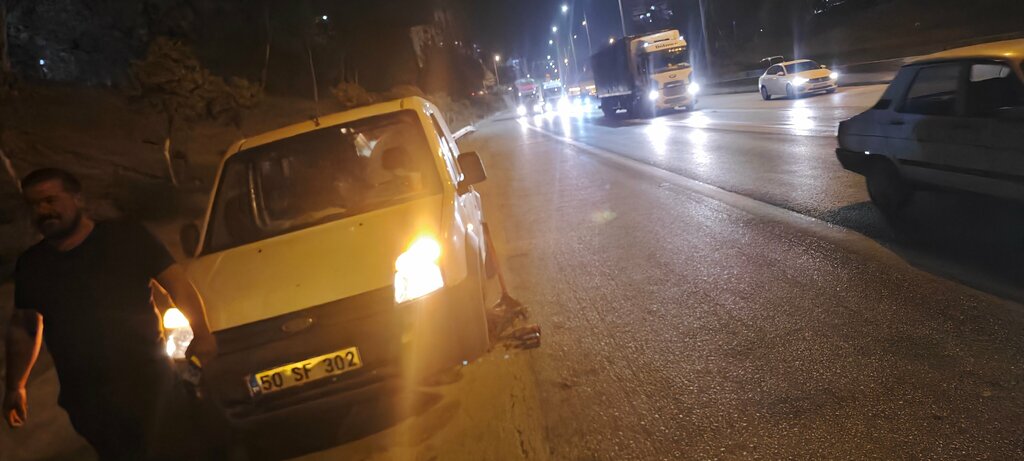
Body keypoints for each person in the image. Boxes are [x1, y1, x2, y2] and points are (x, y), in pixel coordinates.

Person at [2, 168, 218, 460]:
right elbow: (25, 328)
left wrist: (202, 333)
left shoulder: (125, 237)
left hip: (150, 384)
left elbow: (176, 285)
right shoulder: (33, 265)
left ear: (77, 198)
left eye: (51, 200)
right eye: (34, 205)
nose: (43, 210)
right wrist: (16, 385)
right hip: (89, 402)